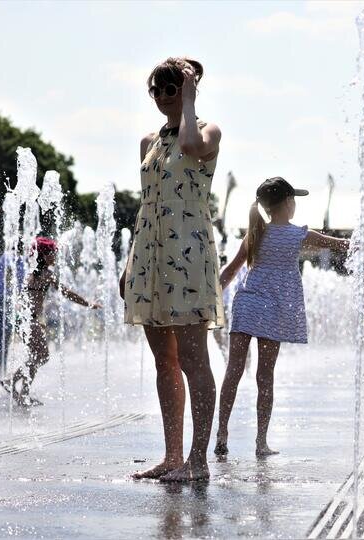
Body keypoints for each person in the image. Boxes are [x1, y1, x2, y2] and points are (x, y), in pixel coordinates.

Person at [120, 56, 225, 482]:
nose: (164, 96)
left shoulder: (206, 131)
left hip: (189, 255)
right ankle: (172, 456)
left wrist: (190, 104)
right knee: (164, 360)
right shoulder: (147, 142)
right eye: (158, 90)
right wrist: (130, 263)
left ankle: (198, 461)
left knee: (194, 359)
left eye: (173, 87)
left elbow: (190, 149)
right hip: (150, 254)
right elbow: (146, 206)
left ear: (190, 88)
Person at [214, 177, 349, 457]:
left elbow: (229, 273)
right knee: (265, 376)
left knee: (233, 370)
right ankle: (261, 442)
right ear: (288, 203)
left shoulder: (254, 234)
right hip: (272, 309)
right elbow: (338, 244)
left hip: (247, 303)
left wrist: (206, 298)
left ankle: (221, 433)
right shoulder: (298, 234)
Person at [1, 237, 98, 407]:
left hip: (24, 319)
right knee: (42, 356)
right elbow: (67, 293)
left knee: (36, 356)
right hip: (27, 320)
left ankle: (24, 392)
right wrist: (88, 304)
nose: (55, 256)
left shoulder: (32, 272)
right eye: (53, 253)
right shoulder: (45, 274)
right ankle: (12, 381)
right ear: (44, 255)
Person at [0, 249, 25, 375]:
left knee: (4, 331)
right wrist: (15, 298)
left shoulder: (17, 258)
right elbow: (9, 274)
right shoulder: (11, 257)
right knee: (2, 330)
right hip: (0, 295)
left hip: (1, 295)